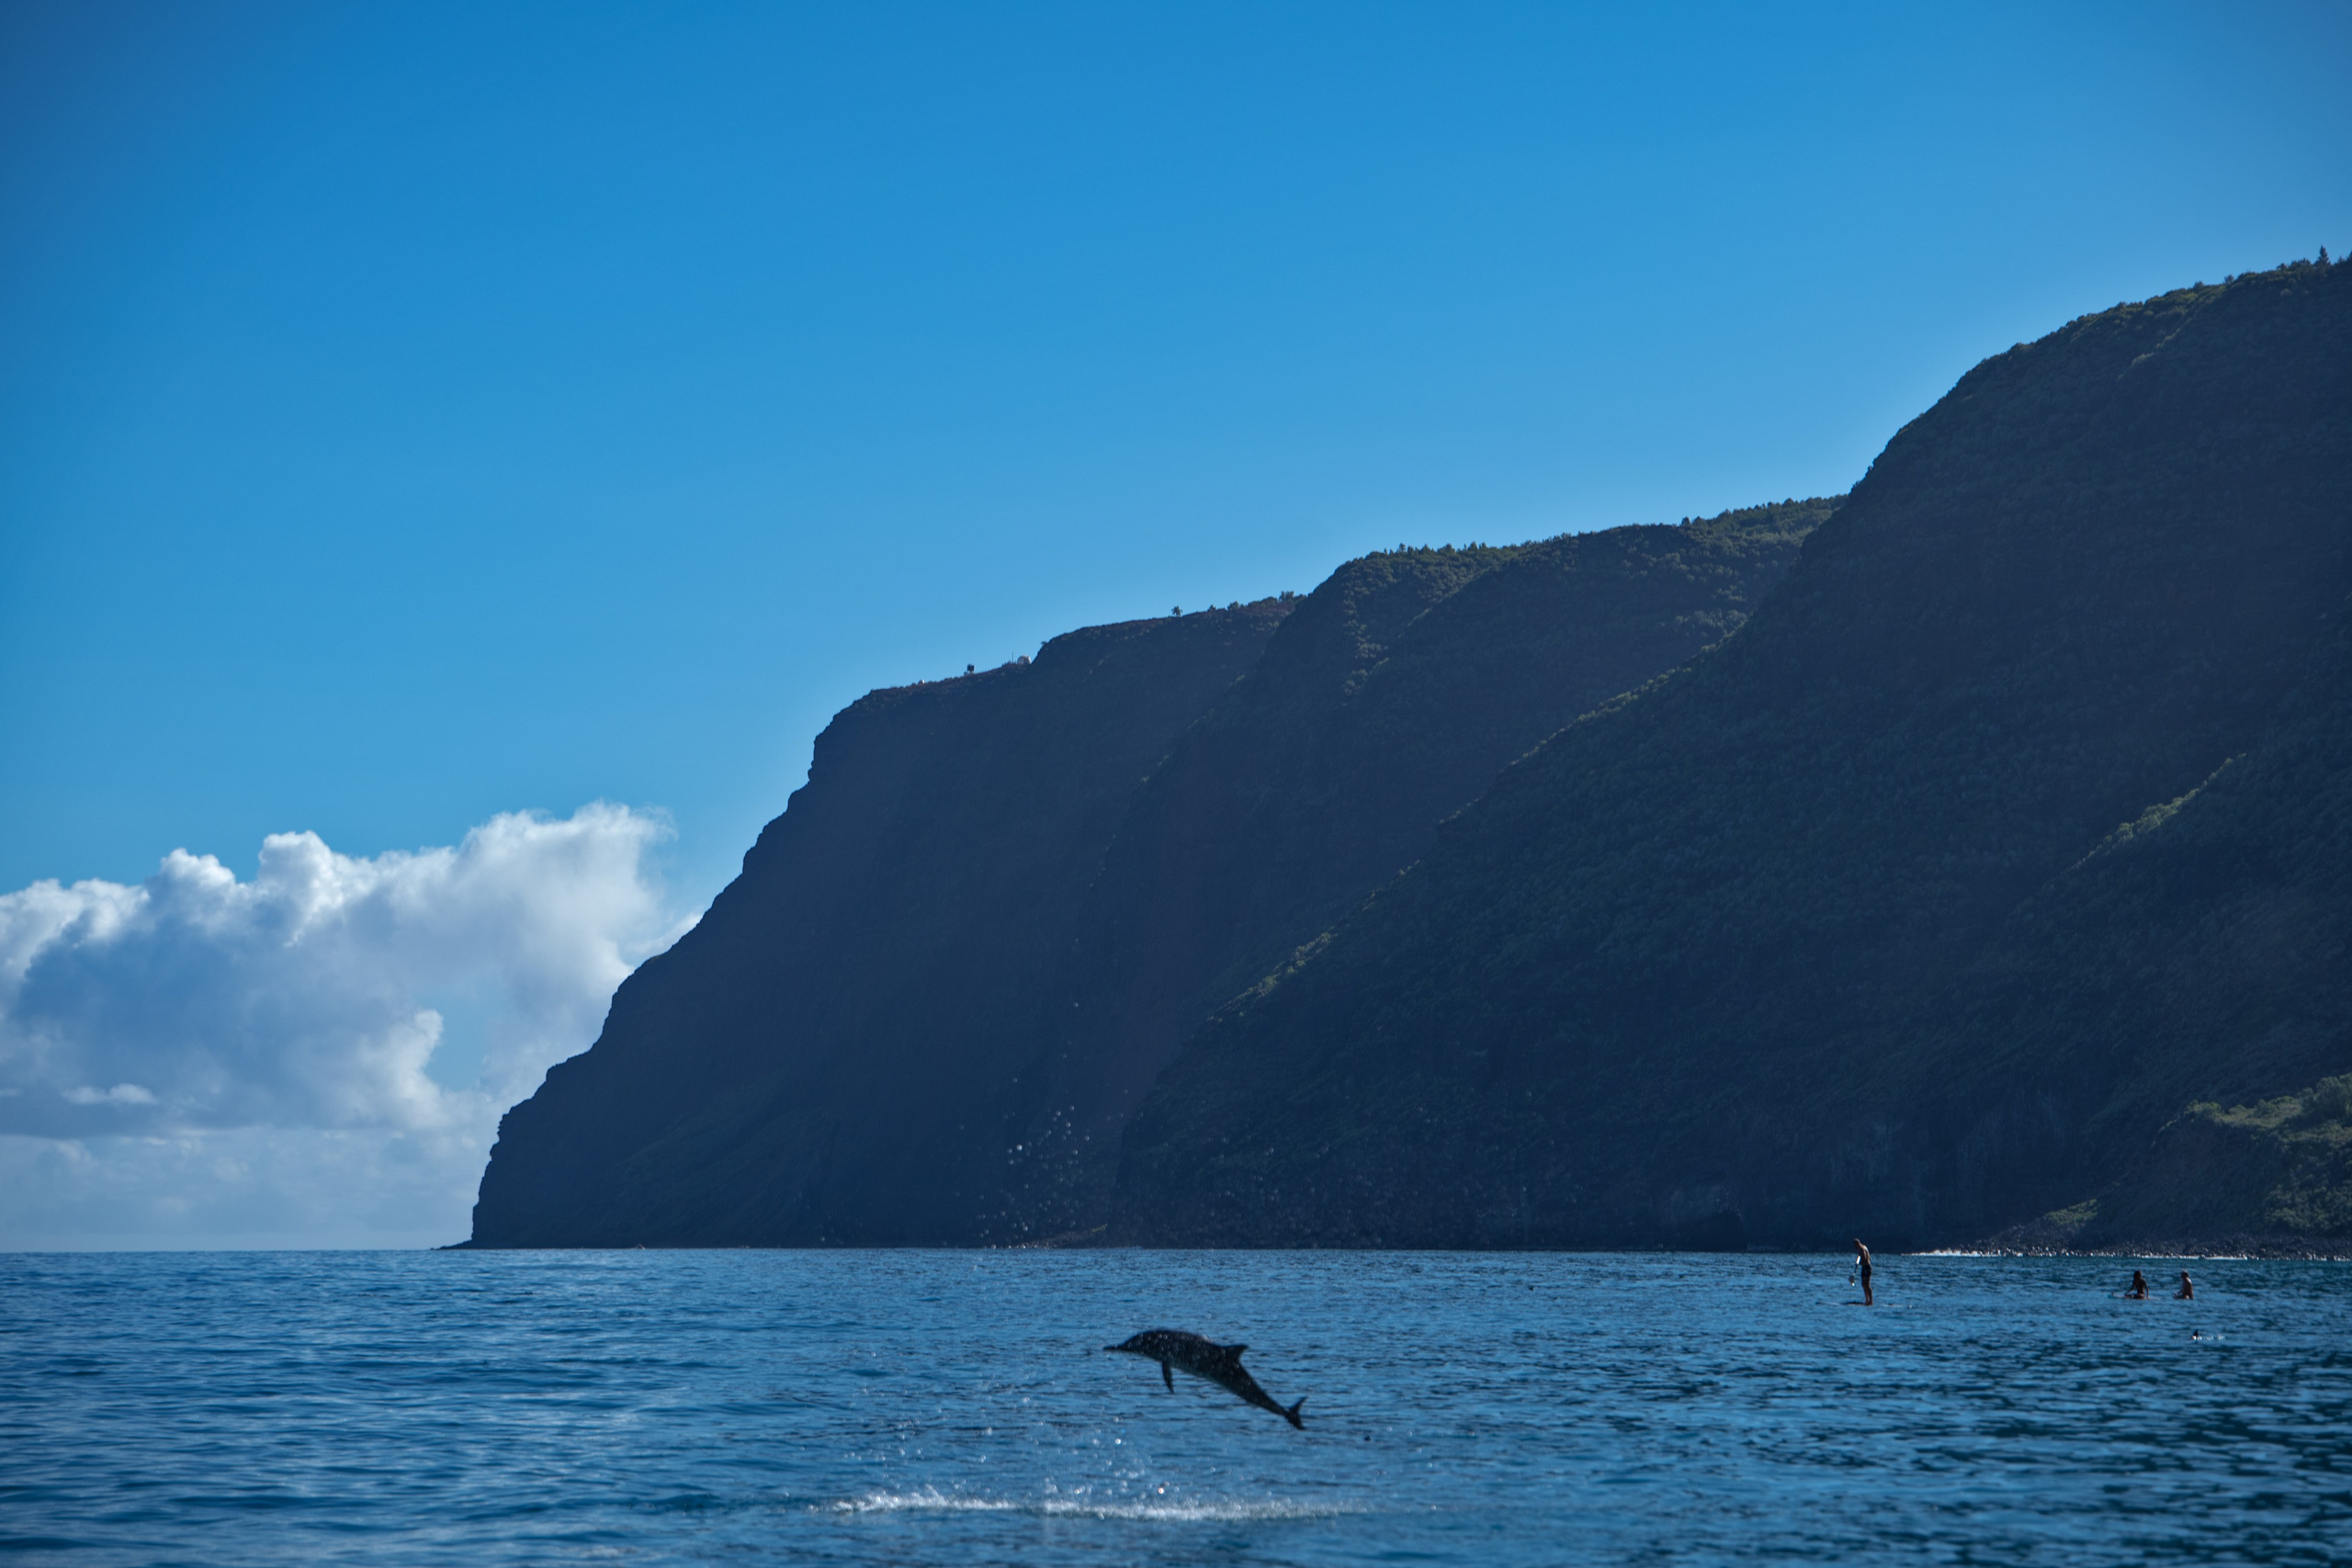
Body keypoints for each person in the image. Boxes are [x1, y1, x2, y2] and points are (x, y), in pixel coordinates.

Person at [1853, 1238, 1874, 1306]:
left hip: (1867, 1268)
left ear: (1857, 1244)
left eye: (1854, 1245)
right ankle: (1867, 1300)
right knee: (1863, 1284)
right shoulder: (1863, 1248)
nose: (1854, 1247)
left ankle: (1871, 1301)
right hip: (1864, 1268)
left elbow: (1865, 1259)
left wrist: (1859, 1264)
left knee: (1867, 1284)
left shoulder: (1862, 1249)